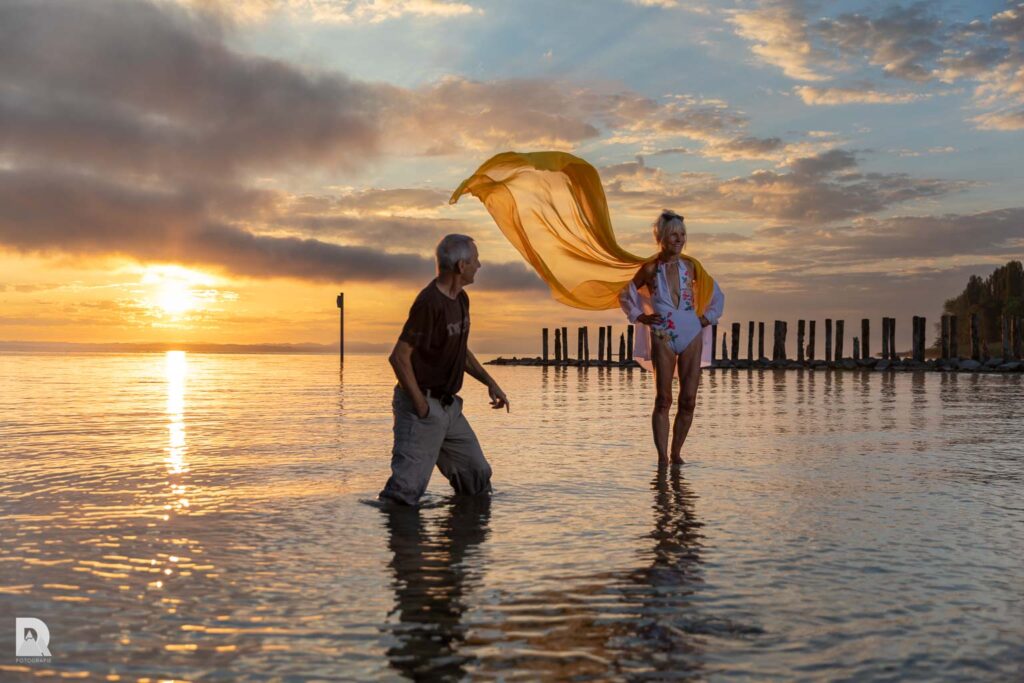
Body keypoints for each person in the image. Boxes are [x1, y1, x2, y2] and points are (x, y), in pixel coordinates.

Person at [379, 234, 510, 506]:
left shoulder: (461, 299)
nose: (480, 265)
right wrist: (422, 408)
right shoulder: (429, 303)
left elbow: (459, 350)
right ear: (461, 266)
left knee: (476, 478)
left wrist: (490, 382)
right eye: (475, 259)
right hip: (422, 407)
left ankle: (464, 543)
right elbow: (399, 357)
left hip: (450, 409)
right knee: (404, 495)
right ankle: (401, 544)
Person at [620, 211, 724, 465]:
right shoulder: (650, 269)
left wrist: (706, 318)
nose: (679, 239)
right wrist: (639, 316)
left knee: (688, 399)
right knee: (663, 398)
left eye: (683, 235)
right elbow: (625, 294)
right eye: (674, 235)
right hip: (663, 333)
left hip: (691, 332)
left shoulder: (692, 266)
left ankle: (677, 453)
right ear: (662, 238)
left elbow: (717, 295)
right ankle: (662, 458)